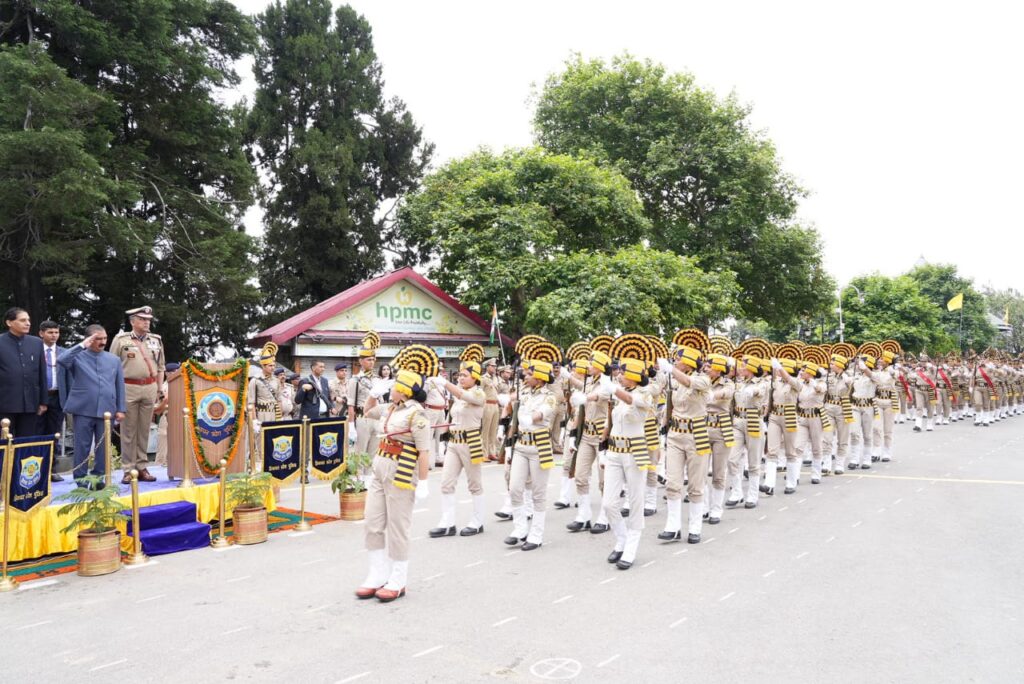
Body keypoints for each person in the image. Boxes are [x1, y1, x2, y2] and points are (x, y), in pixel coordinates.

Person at [354, 366, 432, 603]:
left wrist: (424, 482)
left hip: (402, 470)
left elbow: (424, 451)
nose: (391, 388)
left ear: (405, 390)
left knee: (398, 525)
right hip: (380, 466)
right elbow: (367, 411)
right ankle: (377, 574)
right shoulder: (390, 408)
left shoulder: (417, 414)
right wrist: (373, 394)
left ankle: (398, 578)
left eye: (396, 385)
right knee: (372, 522)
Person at [601, 357, 655, 569]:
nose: (619, 375)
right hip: (615, 451)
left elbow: (632, 400)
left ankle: (630, 548)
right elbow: (612, 419)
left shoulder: (645, 393)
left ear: (633, 375)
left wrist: (613, 389)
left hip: (635, 451)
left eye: (623, 373)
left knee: (635, 500)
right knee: (608, 503)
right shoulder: (619, 393)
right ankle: (622, 539)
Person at [58, 326, 126, 486]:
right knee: (82, 446)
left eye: (104, 338)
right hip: (83, 408)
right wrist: (82, 345)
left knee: (103, 447)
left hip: (107, 409)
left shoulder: (113, 359)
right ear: (88, 339)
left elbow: (119, 385)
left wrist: (121, 408)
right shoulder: (77, 356)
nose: (102, 342)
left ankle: (99, 478)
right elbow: (61, 360)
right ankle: (81, 479)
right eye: (98, 339)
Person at [657, 346, 711, 543]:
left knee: (696, 485)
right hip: (675, 434)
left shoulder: (703, 379)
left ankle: (695, 527)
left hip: (697, 434)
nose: (675, 361)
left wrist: (671, 370)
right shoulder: (673, 379)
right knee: (672, 483)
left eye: (678, 359)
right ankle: (673, 527)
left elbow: (688, 381)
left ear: (688, 362)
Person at [429, 360, 486, 538]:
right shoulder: (459, 394)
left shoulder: (479, 393)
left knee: (474, 484)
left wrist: (444, 383)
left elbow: (462, 394)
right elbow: (453, 417)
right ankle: (448, 523)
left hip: (471, 441)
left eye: (465, 375)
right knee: (446, 483)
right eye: (459, 375)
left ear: (475, 377)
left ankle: (478, 521)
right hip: (454, 442)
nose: (461, 378)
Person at [504, 359, 557, 551]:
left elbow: (541, 414)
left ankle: (536, 534)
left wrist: (528, 418)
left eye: (529, 374)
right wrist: (507, 443)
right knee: (514, 488)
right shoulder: (523, 393)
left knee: (538, 493)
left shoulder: (549, 397)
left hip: (539, 446)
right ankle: (520, 528)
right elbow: (514, 418)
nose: (525, 376)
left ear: (540, 377)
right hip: (521, 445)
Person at [109, 306, 164, 483]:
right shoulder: (121, 340)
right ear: (133, 322)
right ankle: (128, 468)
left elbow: (161, 366)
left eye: (148, 319)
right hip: (128, 387)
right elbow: (111, 366)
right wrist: (114, 392)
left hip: (150, 387)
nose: (147, 322)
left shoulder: (156, 340)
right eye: (142, 319)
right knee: (128, 431)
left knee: (144, 430)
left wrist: (159, 389)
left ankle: (142, 466)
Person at [565, 354, 612, 534]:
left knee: (604, 480)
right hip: (585, 434)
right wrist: (572, 434)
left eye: (592, 363)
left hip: (602, 437)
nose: (589, 366)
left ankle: (605, 517)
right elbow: (581, 411)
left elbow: (599, 396)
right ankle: (583, 516)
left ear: (600, 366)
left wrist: (585, 398)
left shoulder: (608, 383)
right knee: (580, 476)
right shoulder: (589, 382)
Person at [0, 307, 48, 439]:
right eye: (22, 320)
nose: (28, 323)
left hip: (30, 404)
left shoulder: (37, 343)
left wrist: (43, 401)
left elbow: (41, 373)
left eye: (28, 320)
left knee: (26, 442)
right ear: (9, 322)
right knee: (4, 442)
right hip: (4, 404)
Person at [726, 356, 767, 508]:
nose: (741, 368)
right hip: (737, 422)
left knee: (753, 462)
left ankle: (753, 495)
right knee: (732, 459)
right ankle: (737, 492)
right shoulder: (739, 383)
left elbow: (759, 391)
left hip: (753, 421)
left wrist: (751, 390)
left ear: (752, 368)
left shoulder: (762, 383)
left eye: (744, 366)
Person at [702, 354, 736, 523]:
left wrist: (710, 395)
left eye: (709, 366)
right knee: (700, 471)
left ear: (719, 369)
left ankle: (716, 509)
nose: (706, 368)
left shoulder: (728, 383)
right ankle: (703, 507)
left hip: (721, 430)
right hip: (702, 428)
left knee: (718, 472)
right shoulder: (702, 380)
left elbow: (725, 394)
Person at [765, 358, 800, 496]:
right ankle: (769, 484)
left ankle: (791, 482)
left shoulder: (796, 382)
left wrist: (780, 368)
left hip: (789, 416)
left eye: (783, 368)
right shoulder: (776, 382)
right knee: (772, 451)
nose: (779, 370)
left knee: (790, 451)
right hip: (775, 416)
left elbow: (790, 379)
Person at [38, 320, 66, 481]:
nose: (54, 335)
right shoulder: (35, 351)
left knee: (54, 434)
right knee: (37, 433)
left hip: (57, 396)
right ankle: (36, 470)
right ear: (41, 333)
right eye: (50, 332)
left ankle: (51, 470)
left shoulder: (63, 352)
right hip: (39, 397)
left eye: (56, 332)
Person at [248, 345, 284, 464]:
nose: (273, 368)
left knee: (274, 440)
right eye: (270, 365)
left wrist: (280, 416)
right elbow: (251, 402)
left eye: (274, 365)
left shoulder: (276, 380)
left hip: (274, 414)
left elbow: (279, 399)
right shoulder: (255, 380)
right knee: (261, 441)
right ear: (263, 366)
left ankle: (272, 464)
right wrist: (254, 420)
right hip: (261, 414)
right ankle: (260, 464)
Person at [823, 353, 853, 475]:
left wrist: (845, 377)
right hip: (829, 407)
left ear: (839, 365)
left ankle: (840, 463)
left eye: (832, 364)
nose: (830, 365)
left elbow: (851, 385)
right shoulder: (828, 376)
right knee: (826, 437)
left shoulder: (848, 377)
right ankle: (826, 463)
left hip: (843, 408)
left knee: (842, 437)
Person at [347, 346, 377, 454]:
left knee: (373, 453)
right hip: (362, 418)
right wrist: (351, 426)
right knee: (360, 453)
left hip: (376, 419)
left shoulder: (376, 379)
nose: (372, 362)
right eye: (368, 360)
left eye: (373, 359)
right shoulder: (355, 380)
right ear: (360, 361)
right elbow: (351, 405)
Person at [154, 362, 180, 469]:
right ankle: (159, 469)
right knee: (163, 447)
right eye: (174, 371)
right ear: (167, 373)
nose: (177, 373)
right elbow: (157, 409)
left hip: (180, 418)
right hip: (167, 417)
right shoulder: (162, 388)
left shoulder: (183, 385)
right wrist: (165, 402)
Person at [480, 359, 502, 462]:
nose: (494, 368)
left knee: (493, 430)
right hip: (487, 404)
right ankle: (483, 453)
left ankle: (491, 452)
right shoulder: (483, 378)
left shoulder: (496, 378)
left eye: (495, 366)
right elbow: (480, 392)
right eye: (492, 366)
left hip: (495, 404)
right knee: (486, 430)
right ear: (487, 367)